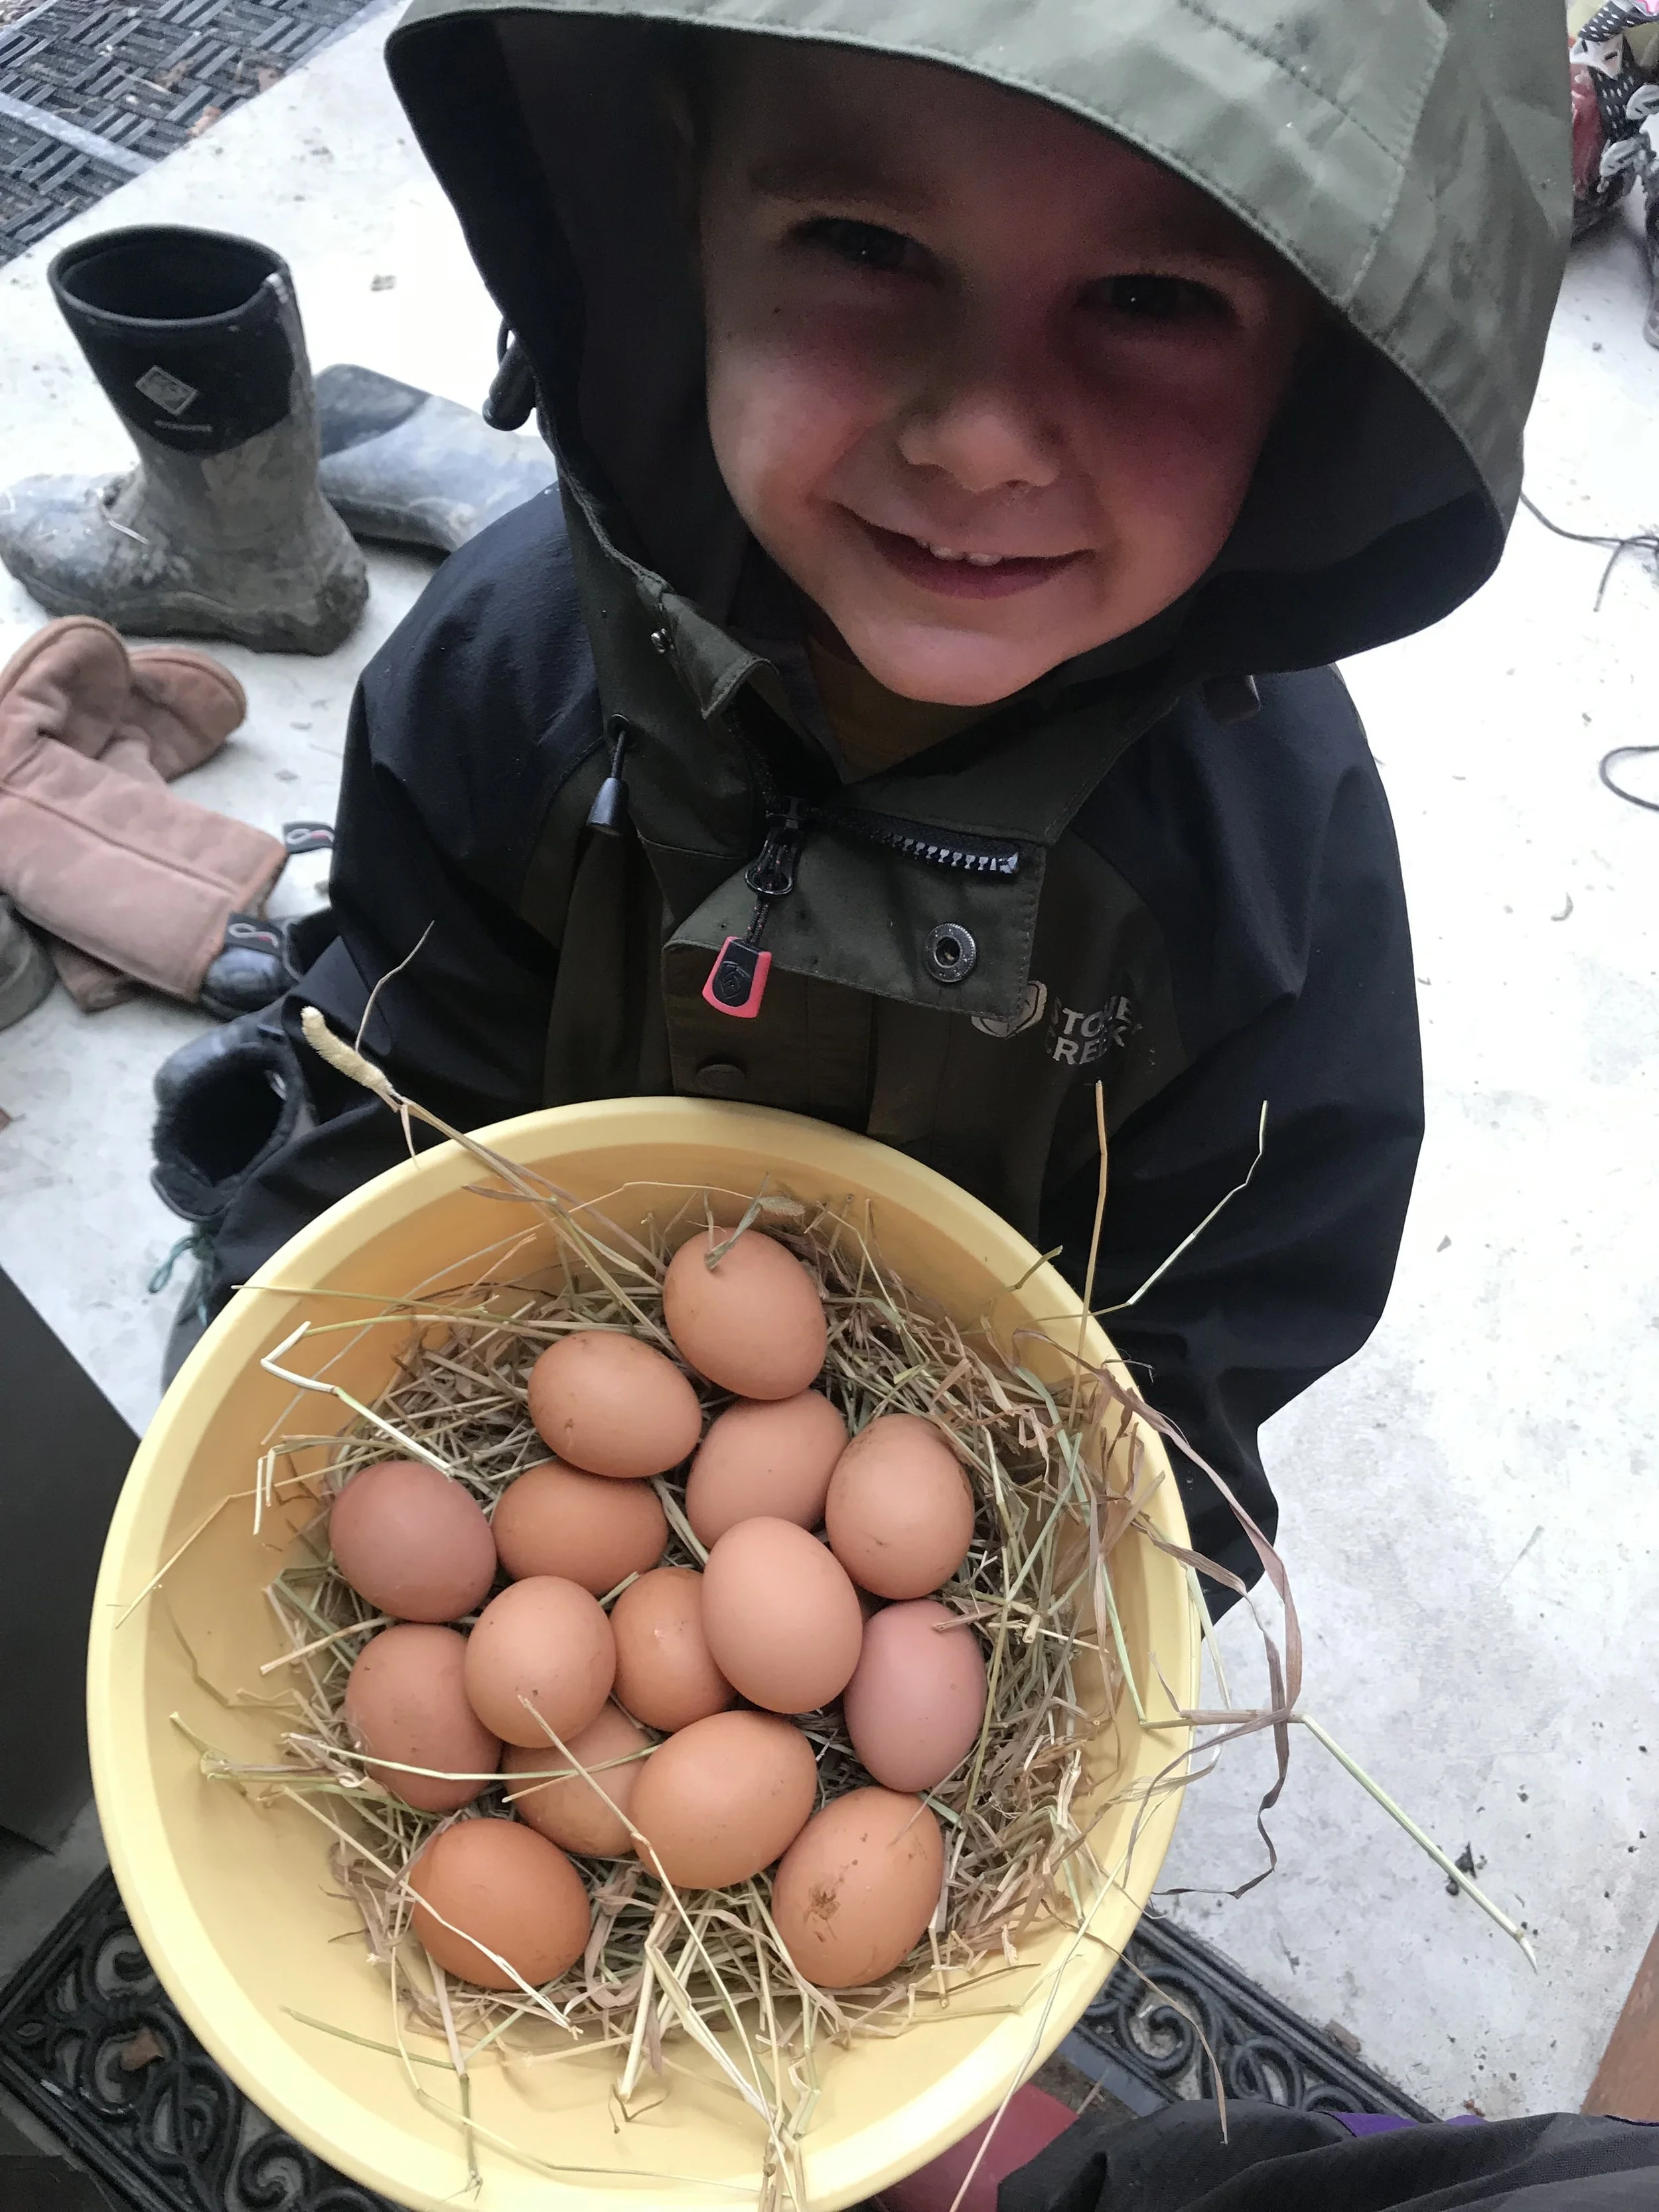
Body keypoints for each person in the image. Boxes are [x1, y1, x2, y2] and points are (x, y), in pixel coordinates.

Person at [190, 0, 1570, 1601]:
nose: (978, 440)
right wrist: (290, 1353)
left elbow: (1224, 1312)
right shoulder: (502, 686)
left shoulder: (1263, 872)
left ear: (1323, 354)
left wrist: (1075, 1587)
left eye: (1150, 296)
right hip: (543, 1451)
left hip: (940, 1557)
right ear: (682, 203)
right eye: (864, 243)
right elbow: (399, 1078)